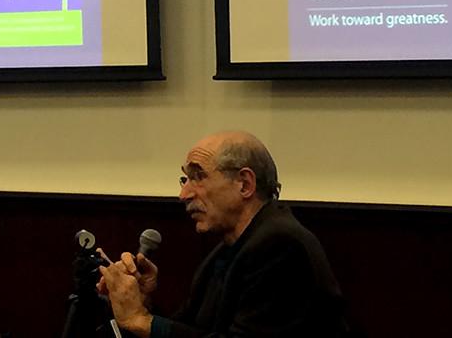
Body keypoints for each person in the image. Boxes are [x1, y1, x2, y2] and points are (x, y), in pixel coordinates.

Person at [99, 131, 350, 337]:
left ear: (245, 184)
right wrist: (140, 302)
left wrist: (140, 320)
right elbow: (194, 330)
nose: (183, 195)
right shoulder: (229, 249)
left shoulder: (281, 245)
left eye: (198, 177)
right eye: (184, 179)